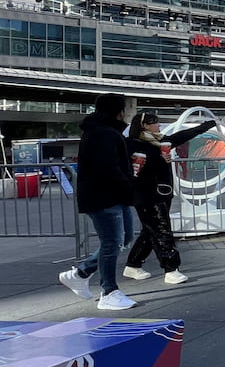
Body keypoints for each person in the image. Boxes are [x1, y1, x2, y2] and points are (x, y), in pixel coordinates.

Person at [58, 93, 136, 311]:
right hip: (104, 195)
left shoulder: (105, 131)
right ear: (118, 111)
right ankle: (109, 291)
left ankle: (80, 274)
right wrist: (129, 183)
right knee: (112, 241)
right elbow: (107, 167)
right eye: (123, 108)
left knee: (124, 237)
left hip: (112, 194)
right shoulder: (102, 133)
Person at [122, 111, 216, 285]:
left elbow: (180, 137)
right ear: (145, 125)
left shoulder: (160, 142)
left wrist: (204, 127)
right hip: (146, 193)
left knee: (151, 229)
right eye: (156, 123)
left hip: (162, 192)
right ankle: (171, 269)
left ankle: (133, 264)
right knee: (162, 230)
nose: (159, 126)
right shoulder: (132, 144)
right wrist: (158, 160)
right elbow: (136, 168)